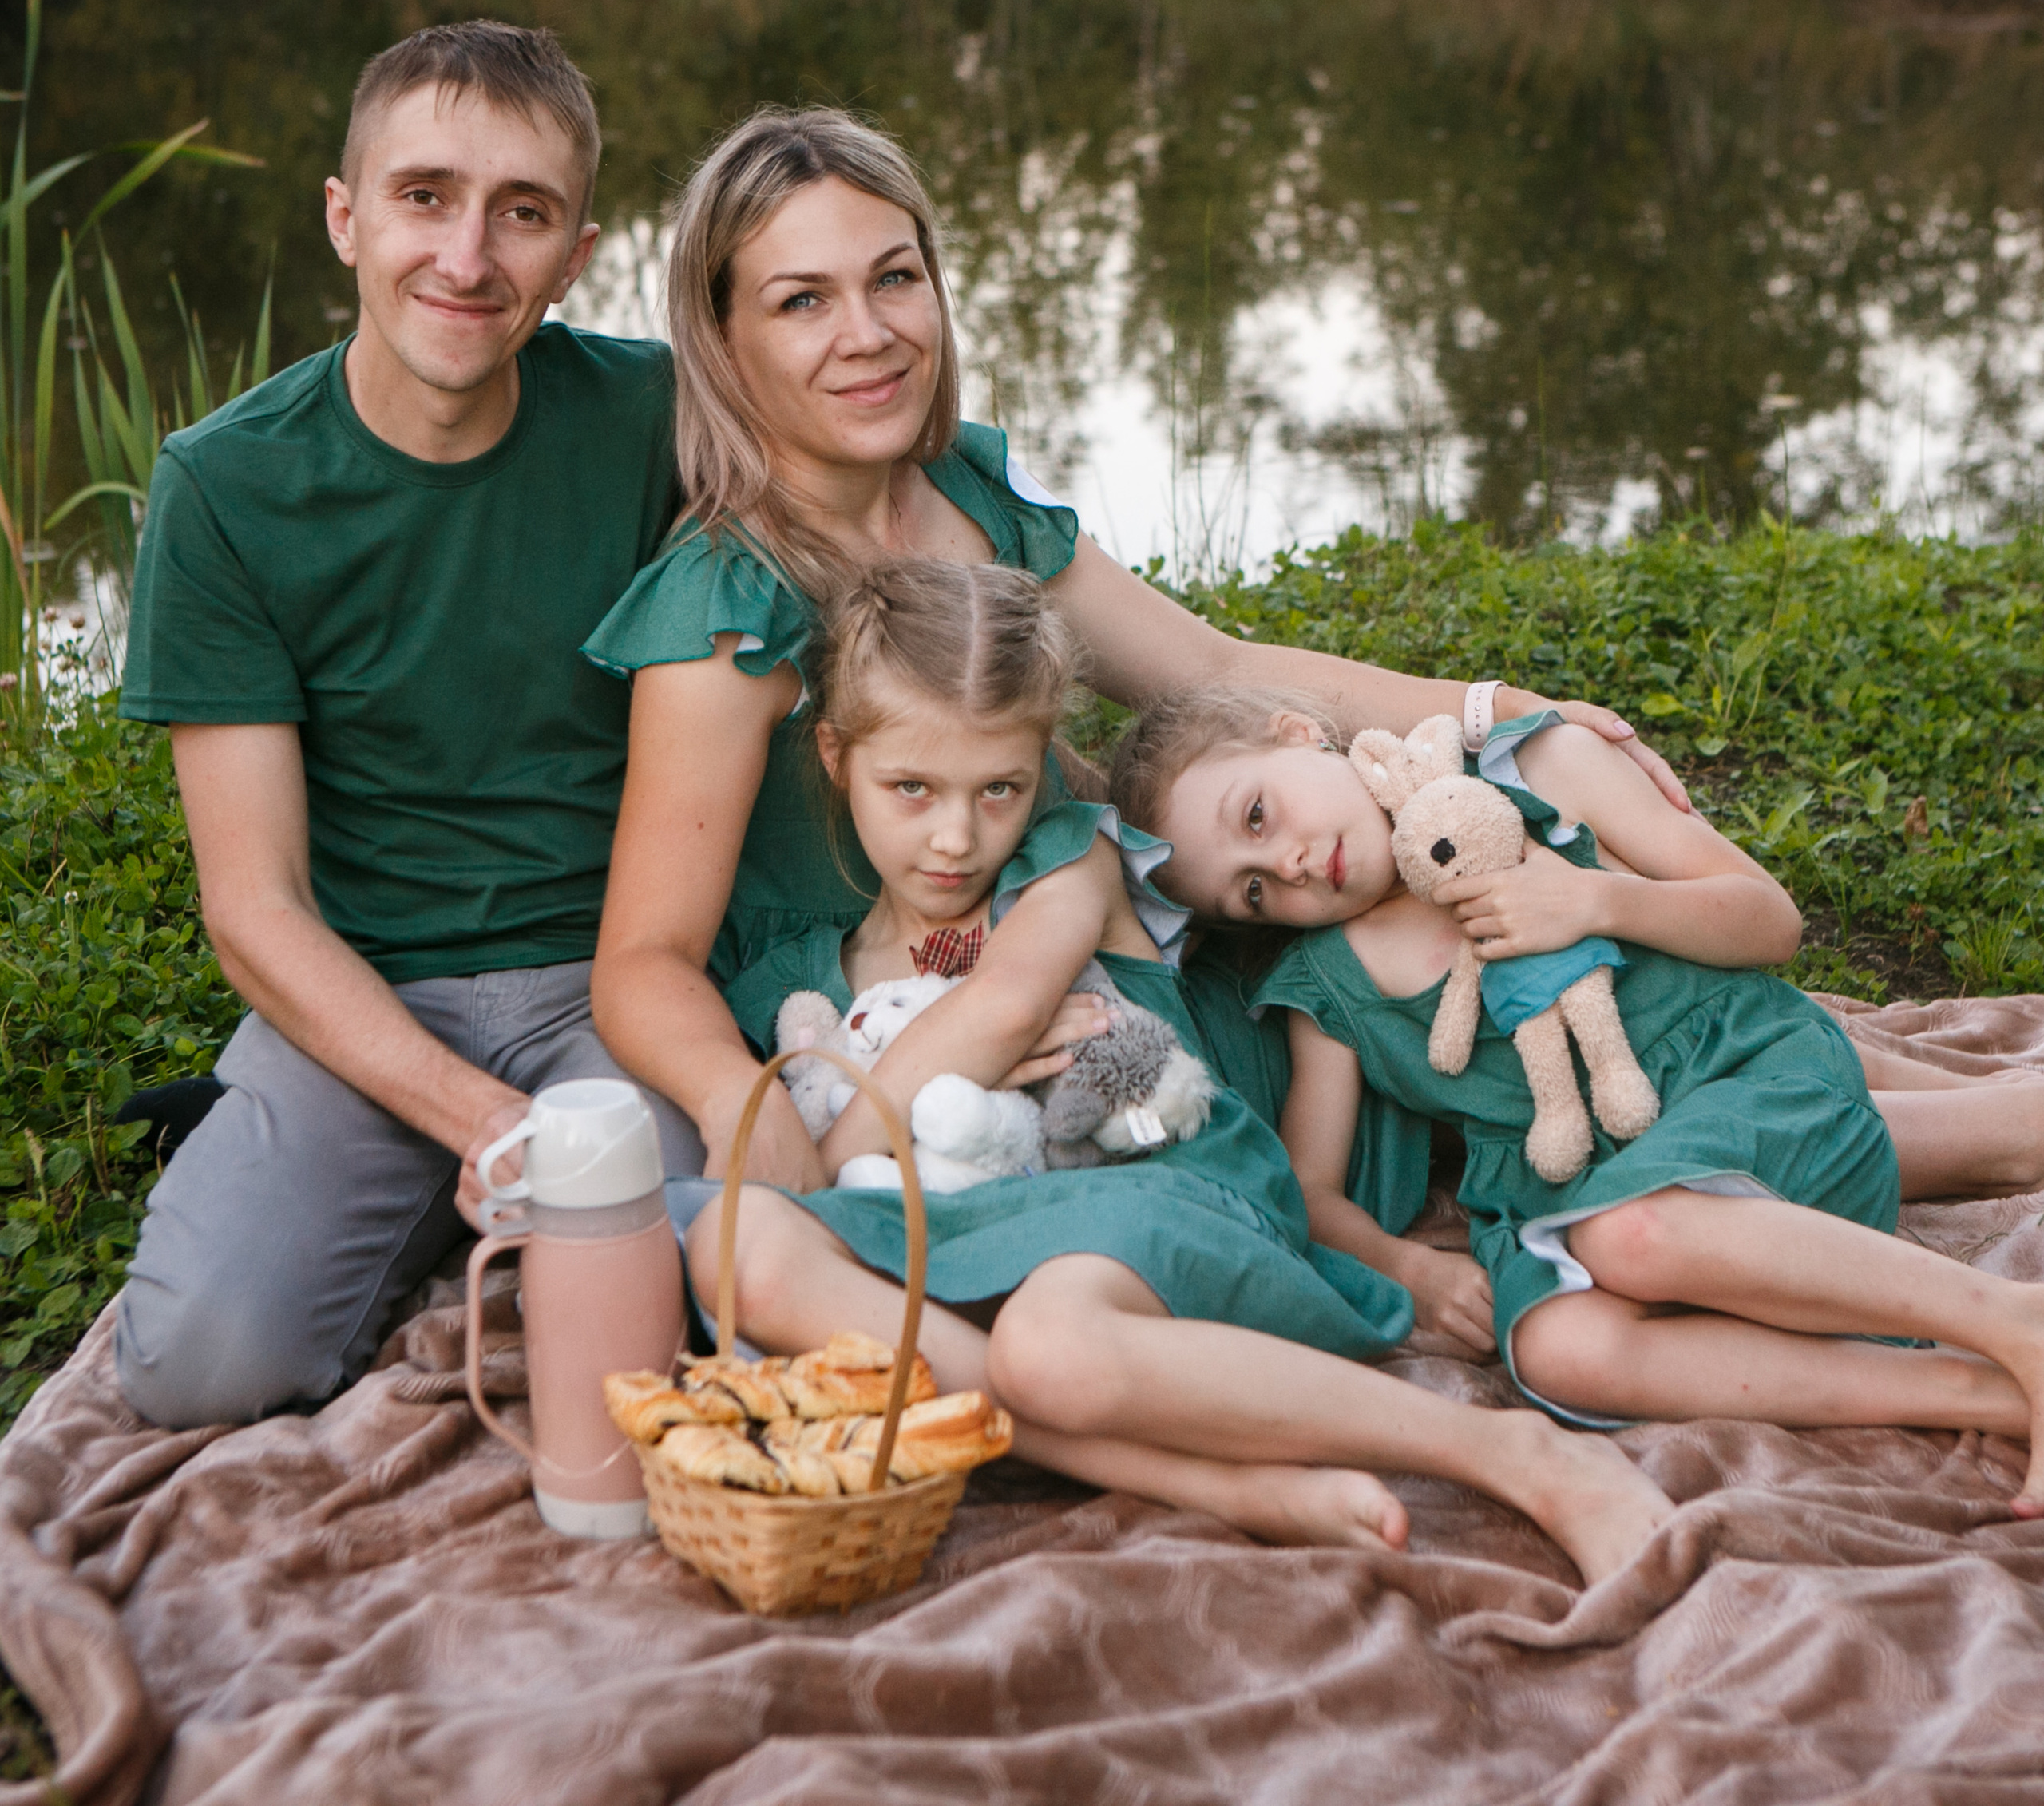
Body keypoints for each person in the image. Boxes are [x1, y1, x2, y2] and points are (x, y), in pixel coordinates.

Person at [584, 104, 1686, 1195]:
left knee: (1506, 814)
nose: (868, 333)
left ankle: (1686, 1070)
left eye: (894, 278)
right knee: (1343, 1029)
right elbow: (643, 960)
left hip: (1094, 951)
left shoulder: (966, 488)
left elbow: (1208, 671)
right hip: (898, 1009)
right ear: (724, 340)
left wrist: (1498, 708)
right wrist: (745, 1107)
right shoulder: (727, 601)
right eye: (802, 301)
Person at [695, 556, 1676, 1582]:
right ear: (835, 755)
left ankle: (1510, 1454)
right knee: (734, 1246)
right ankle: (1225, 1485)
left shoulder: (1061, 861)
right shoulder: (796, 976)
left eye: (1000, 788)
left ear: (1037, 771)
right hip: (966, 1235)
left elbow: (1007, 1004)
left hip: (1168, 1192)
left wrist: (824, 1169)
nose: (956, 836)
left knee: (1047, 1345)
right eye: (910, 788)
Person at [113, 22, 701, 1428]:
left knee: (705, 1303)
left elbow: (890, 504)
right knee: (198, 1370)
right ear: (346, 218)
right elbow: (253, 906)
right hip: (364, 995)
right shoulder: (226, 487)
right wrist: (486, 1124)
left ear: (577, 253)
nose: (467, 257)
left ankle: (441, 1208)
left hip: (620, 984)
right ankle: (313, 1151)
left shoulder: (659, 418)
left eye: (523, 213)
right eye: (424, 196)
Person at [1111, 693, 2044, 1511]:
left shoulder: (1529, 783)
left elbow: (1771, 921)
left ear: (1298, 733)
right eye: (1252, 891)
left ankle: (2009, 1316)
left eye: (1259, 814)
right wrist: (1410, 1268)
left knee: (1631, 1234)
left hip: (1744, 1083)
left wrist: (1594, 902)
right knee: (1558, 1350)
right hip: (1570, 1178)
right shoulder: (1329, 989)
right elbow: (1310, 1190)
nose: (1289, 865)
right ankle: (1976, 1390)